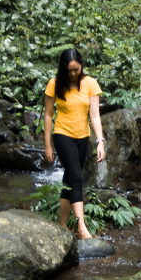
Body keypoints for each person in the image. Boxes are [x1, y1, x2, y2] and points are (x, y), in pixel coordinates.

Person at [44, 47, 105, 238]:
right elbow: (48, 115)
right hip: (63, 134)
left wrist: (100, 141)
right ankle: (81, 226)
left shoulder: (90, 84)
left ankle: (62, 224)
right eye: (69, 70)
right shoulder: (54, 84)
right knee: (77, 178)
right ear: (63, 68)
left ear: (81, 66)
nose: (72, 73)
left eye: (76, 69)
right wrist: (48, 144)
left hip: (82, 137)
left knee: (68, 180)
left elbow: (94, 116)